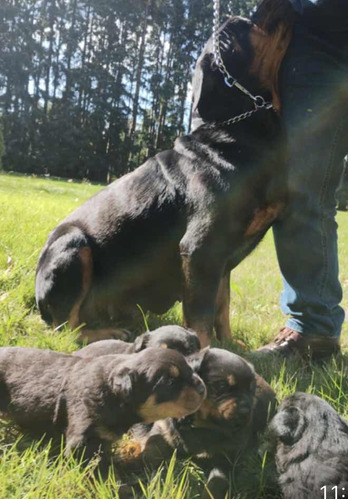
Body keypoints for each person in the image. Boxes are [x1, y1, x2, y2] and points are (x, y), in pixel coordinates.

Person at [255, 0, 348, 359]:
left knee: (302, 193)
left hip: (324, 49)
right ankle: (313, 324)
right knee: (303, 192)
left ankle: (314, 328)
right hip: (314, 47)